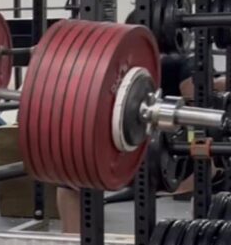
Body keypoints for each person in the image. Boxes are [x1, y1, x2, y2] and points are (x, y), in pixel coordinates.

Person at [55, 52, 227, 234]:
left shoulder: (175, 63)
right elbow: (194, 95)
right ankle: (73, 244)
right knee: (72, 178)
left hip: (149, 143)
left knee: (210, 166)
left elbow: (194, 101)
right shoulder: (178, 62)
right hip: (129, 141)